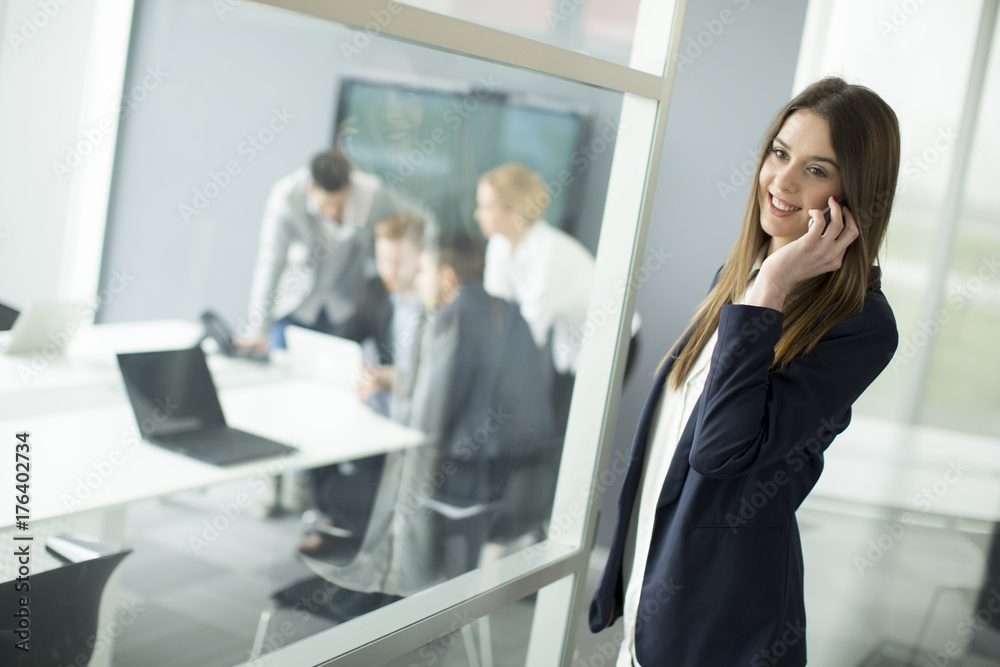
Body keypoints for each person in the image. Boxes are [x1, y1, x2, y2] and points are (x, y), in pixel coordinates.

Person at [589, 77, 901, 666]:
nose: (781, 181)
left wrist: (775, 286)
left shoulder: (858, 325)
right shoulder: (740, 280)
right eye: (780, 153)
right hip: (654, 596)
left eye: (816, 170)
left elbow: (720, 452)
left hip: (724, 627)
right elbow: (669, 448)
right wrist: (764, 283)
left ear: (854, 194)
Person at [308, 230, 554, 617]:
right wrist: (400, 380)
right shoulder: (507, 311)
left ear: (447, 277)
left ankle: (381, 600)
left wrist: (374, 397)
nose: (417, 280)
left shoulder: (449, 320)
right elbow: (471, 389)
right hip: (515, 487)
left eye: (423, 271)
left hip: (459, 489)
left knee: (339, 490)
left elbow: (422, 423)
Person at [297, 213, 426, 557]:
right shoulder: (377, 291)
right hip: (381, 403)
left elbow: (434, 376)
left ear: (421, 259)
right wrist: (342, 362)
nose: (390, 271)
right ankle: (326, 519)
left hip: (412, 414)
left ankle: (361, 528)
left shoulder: (434, 305)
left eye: (399, 262)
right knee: (321, 427)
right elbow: (349, 334)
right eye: (384, 260)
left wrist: (392, 378)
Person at [475, 163, 641, 430]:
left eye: (486, 207)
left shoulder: (549, 252)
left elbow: (529, 330)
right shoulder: (499, 245)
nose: (477, 214)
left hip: (615, 337)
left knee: (579, 426)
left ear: (513, 211)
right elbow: (495, 313)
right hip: (573, 343)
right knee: (564, 421)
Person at [241, 147, 410, 351]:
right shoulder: (286, 198)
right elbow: (271, 262)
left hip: (342, 309)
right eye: (326, 205)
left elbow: (414, 221)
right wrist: (257, 329)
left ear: (351, 187)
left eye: (339, 205)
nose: (332, 212)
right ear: (310, 187)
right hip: (295, 305)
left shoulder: (370, 195)